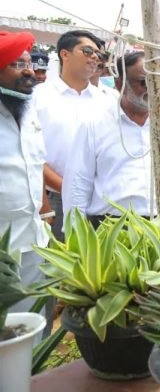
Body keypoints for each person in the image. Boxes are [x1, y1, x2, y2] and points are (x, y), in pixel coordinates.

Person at [63, 52, 160, 225]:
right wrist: (75, 234)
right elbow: (77, 185)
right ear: (120, 84)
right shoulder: (94, 123)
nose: (152, 89)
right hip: (110, 230)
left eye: (157, 83)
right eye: (143, 82)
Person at [33, 30, 113, 240]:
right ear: (64, 54)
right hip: (53, 199)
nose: (95, 57)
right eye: (87, 51)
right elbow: (29, 153)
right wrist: (67, 188)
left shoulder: (108, 101)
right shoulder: (37, 97)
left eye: (98, 54)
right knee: (58, 268)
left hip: (100, 200)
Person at [0, 32, 50, 313]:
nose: (29, 71)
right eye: (17, 65)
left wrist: (45, 213)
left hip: (33, 238)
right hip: (2, 244)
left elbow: (35, 165)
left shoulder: (29, 108)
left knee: (34, 319)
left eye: (28, 62)